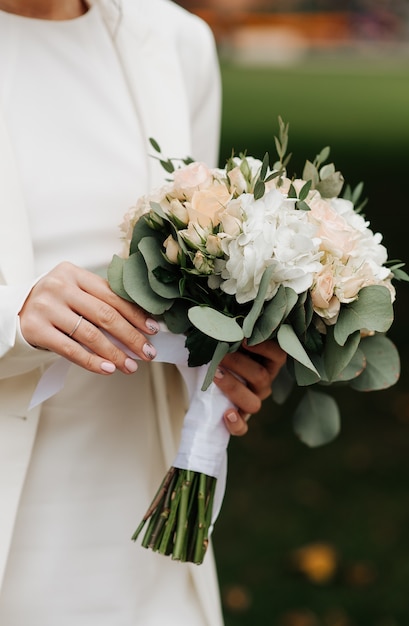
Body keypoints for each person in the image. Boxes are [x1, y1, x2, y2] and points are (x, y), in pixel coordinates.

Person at [0, 0, 286, 624]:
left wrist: (227, 349)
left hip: (146, 519)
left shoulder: (176, 41)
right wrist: (10, 318)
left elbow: (196, 254)